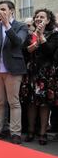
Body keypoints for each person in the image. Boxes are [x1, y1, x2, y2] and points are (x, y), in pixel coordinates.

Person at [0, 1, 28, 144]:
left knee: (13, 102)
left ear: (11, 11)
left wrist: (6, 25)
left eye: (3, 9)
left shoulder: (20, 26)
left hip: (13, 70)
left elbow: (18, 42)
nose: (0, 12)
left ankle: (15, 133)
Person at [20, 9, 58, 145]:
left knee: (44, 104)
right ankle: (31, 131)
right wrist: (28, 49)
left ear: (48, 20)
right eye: (37, 17)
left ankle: (43, 133)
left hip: (46, 74)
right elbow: (23, 52)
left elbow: (50, 52)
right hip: (30, 73)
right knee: (30, 103)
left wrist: (41, 37)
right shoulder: (29, 35)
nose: (38, 19)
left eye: (42, 17)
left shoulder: (54, 35)